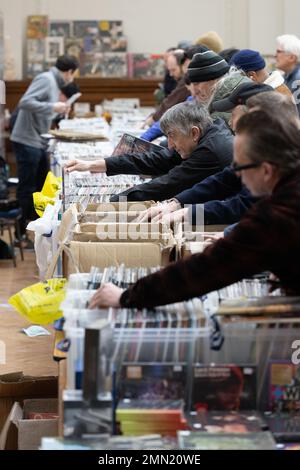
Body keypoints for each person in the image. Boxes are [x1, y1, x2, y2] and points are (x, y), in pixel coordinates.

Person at [89, 108, 300, 309]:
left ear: (266, 171)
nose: (238, 176)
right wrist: (178, 204)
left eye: (240, 168)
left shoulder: (278, 215)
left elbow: (206, 270)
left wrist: (127, 296)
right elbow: (222, 181)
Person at [65, 101, 233, 202]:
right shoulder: (206, 132)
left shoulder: (211, 151)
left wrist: (110, 202)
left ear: (194, 132)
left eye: (172, 136)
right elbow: (154, 160)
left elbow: (169, 184)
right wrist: (92, 165)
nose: (170, 145)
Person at [11, 55, 79, 245]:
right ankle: (22, 235)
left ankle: (38, 232)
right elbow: (25, 102)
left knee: (42, 186)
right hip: (27, 140)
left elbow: (41, 110)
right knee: (28, 187)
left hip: (37, 140)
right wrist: (52, 106)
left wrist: (56, 112)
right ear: (69, 72)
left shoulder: (54, 83)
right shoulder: (46, 79)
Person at [275, 34, 300, 114]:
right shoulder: (285, 76)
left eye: (279, 52)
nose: (275, 55)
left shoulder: (298, 80)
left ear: (292, 57)